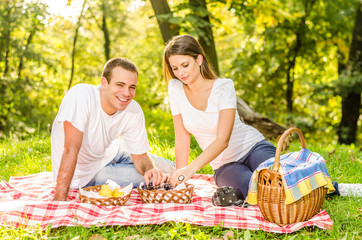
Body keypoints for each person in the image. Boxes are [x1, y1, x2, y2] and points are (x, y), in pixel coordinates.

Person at [163, 35, 276, 200]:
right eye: (175, 68)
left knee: (279, 180)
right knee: (255, 192)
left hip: (253, 148)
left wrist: (190, 170)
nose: (180, 73)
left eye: (185, 65)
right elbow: (181, 137)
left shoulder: (223, 88)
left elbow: (223, 140)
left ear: (199, 60)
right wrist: (181, 175)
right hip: (225, 165)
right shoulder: (175, 89)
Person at [52, 57, 175, 201]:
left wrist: (149, 170)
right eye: (120, 85)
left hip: (110, 152)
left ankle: (158, 171)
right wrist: (59, 200)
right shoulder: (81, 96)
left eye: (132, 87)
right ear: (104, 83)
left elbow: (140, 156)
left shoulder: (133, 109)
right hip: (85, 175)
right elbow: (70, 149)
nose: (127, 93)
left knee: (171, 170)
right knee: (164, 179)